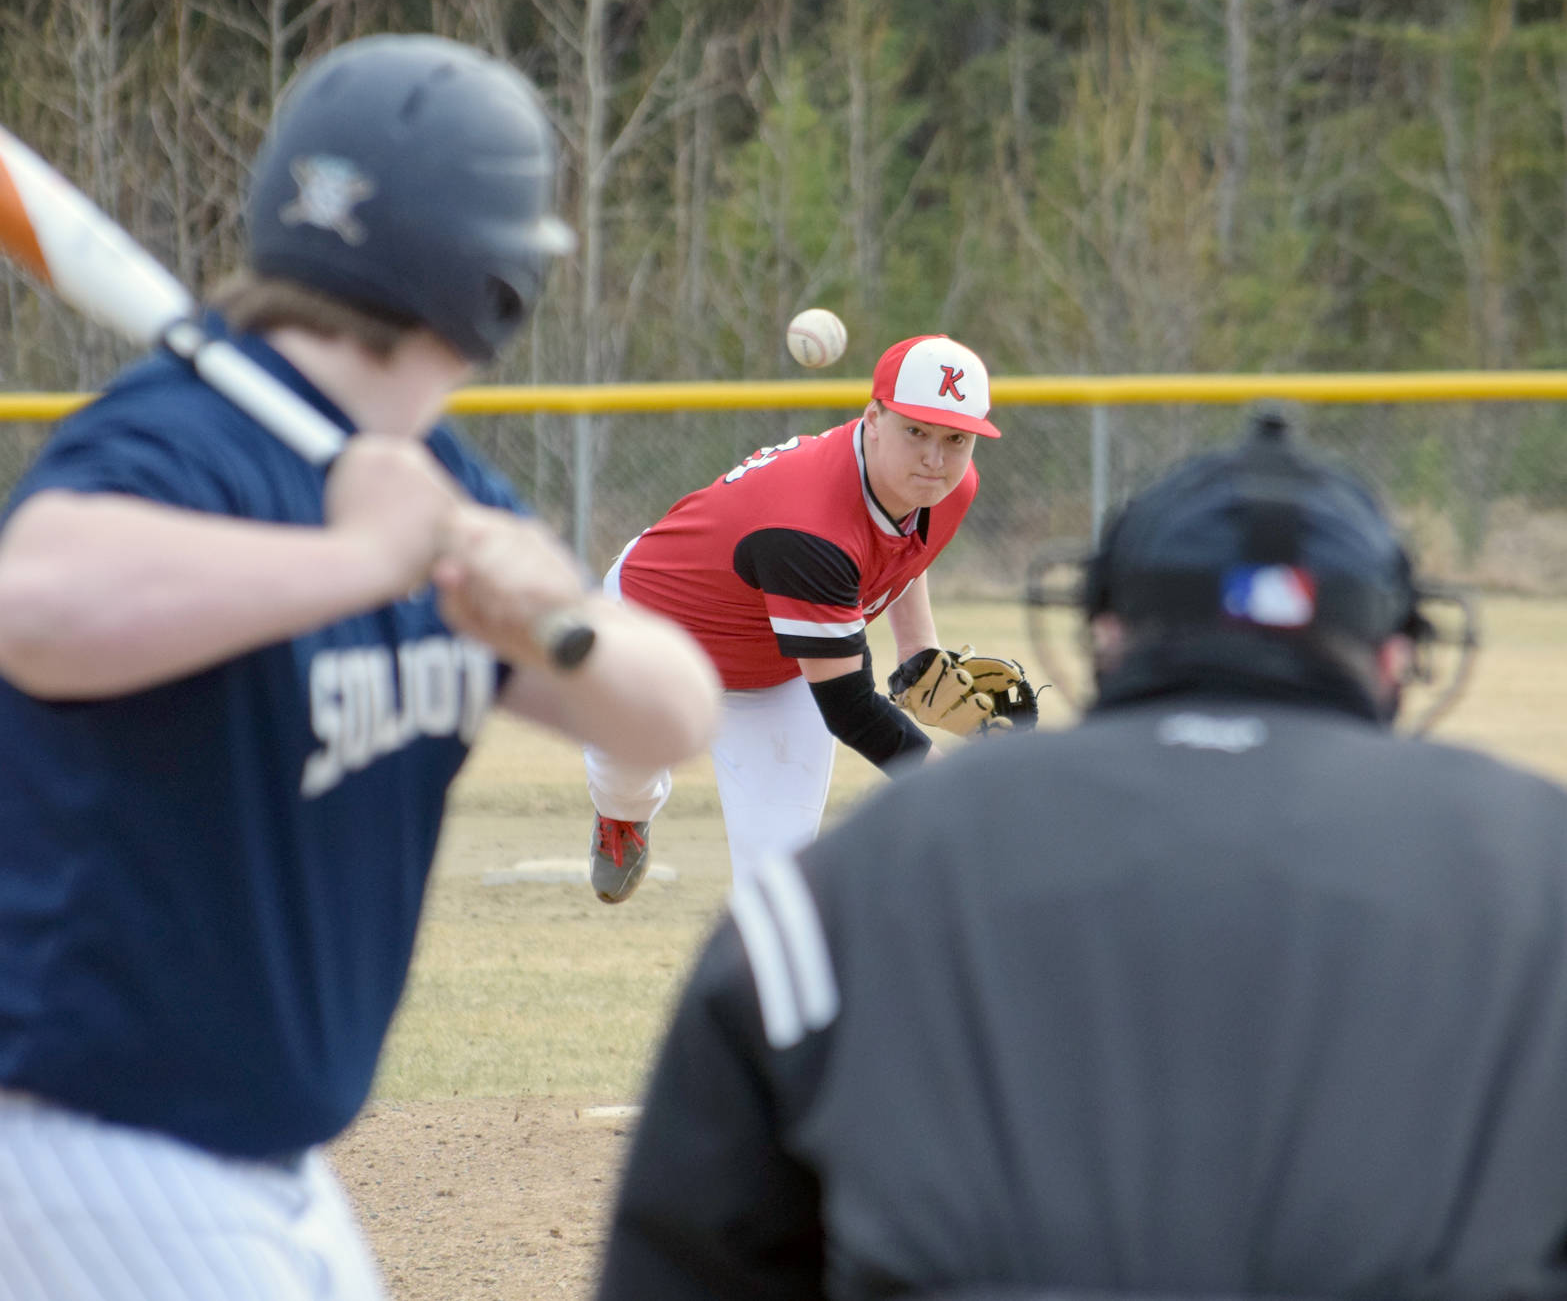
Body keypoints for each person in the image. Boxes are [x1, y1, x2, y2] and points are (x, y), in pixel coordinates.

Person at [0, 34, 719, 1301]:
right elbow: (35, 603)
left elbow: (670, 717)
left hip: (251, 1154)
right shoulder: (179, 443)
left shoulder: (429, 485)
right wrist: (359, 563)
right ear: (498, 283)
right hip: (85, 1132)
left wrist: (557, 609)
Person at [596, 408, 1567, 1301]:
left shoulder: (877, 867)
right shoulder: (1535, 861)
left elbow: (698, 1248)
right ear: (1398, 656)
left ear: (1103, 638)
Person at [584, 332, 1036, 900]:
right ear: (873, 417)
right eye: (915, 430)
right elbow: (849, 708)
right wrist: (952, 786)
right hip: (652, 637)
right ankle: (621, 818)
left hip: (778, 664)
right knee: (625, 781)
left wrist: (918, 649)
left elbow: (901, 551)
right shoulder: (806, 528)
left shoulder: (948, 487)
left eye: (955, 438)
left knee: (782, 879)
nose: (934, 458)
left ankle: (769, 986)